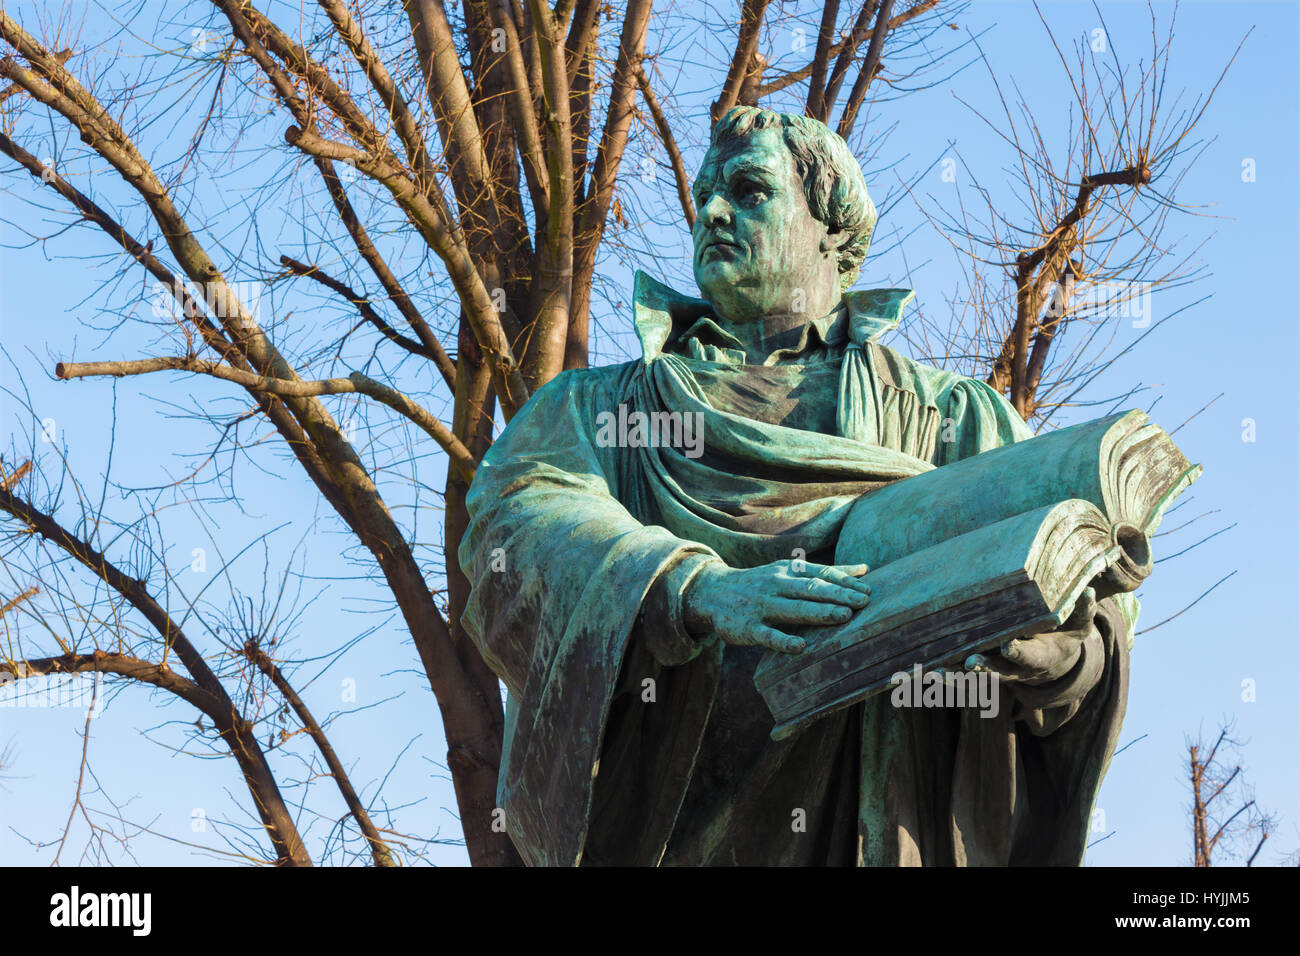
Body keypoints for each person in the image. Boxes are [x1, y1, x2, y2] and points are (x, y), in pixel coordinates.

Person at [459, 105, 1133, 866]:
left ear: (831, 233)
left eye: (748, 192)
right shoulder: (599, 411)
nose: (711, 210)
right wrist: (690, 589)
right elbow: (512, 528)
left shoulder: (954, 421)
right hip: (668, 832)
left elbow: (1094, 629)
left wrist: (1048, 656)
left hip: (887, 826)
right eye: (703, 197)